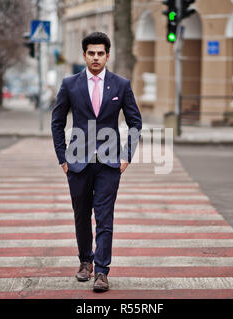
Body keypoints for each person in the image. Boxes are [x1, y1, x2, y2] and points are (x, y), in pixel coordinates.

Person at [51, 32, 142, 292]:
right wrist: (62, 158)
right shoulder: (70, 84)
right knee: (82, 215)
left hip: (109, 164)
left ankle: (102, 271)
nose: (95, 57)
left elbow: (135, 122)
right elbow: (58, 122)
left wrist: (126, 156)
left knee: (104, 217)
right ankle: (85, 261)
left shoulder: (121, 85)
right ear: (84, 55)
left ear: (107, 56)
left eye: (100, 53)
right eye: (91, 53)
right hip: (77, 163)